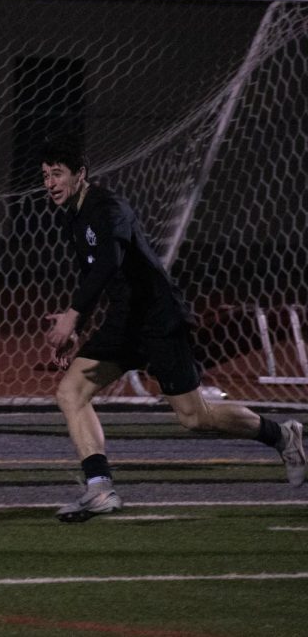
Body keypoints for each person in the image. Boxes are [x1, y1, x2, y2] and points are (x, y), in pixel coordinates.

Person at [40, 136, 305, 522]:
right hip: (125, 320)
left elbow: (109, 263)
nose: (50, 183)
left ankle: (281, 435)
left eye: (57, 174)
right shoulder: (73, 216)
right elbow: (93, 272)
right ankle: (100, 488)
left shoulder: (108, 207)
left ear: (81, 173)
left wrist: (72, 316)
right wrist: (78, 327)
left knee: (194, 417)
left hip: (158, 318)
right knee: (71, 392)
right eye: (46, 175)